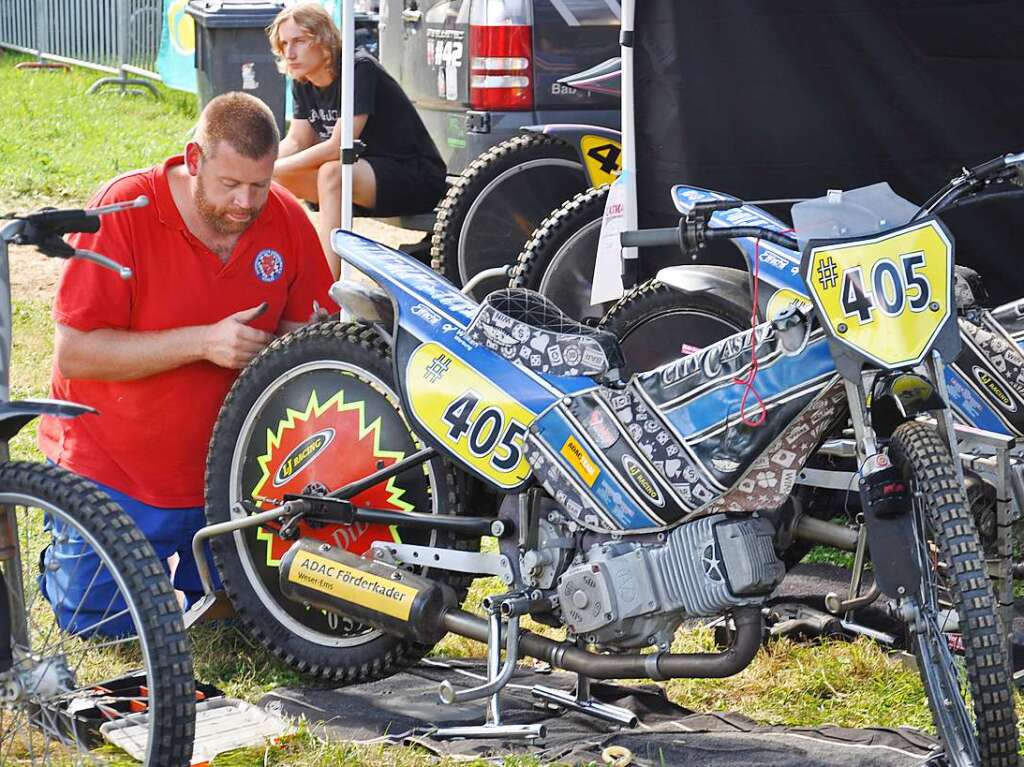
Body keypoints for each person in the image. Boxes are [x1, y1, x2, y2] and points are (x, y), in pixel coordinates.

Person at [38, 92, 337, 636]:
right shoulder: (122, 210)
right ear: (193, 158)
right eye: (230, 184)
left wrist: (311, 337)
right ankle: (65, 542)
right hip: (116, 468)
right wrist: (204, 343)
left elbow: (309, 329)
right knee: (101, 627)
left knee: (246, 626)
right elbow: (75, 353)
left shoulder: (286, 218)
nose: (247, 202)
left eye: (261, 184)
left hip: (230, 478)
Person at [267, 3, 447, 277]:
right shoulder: (302, 78)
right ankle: (283, 269)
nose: (290, 53)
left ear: (323, 38)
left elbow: (339, 146)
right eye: (284, 44)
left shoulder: (356, 68)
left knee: (331, 172)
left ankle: (327, 288)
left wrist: (270, 168)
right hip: (364, 178)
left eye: (299, 41)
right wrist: (261, 165)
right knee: (278, 178)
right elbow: (297, 141)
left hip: (414, 175)